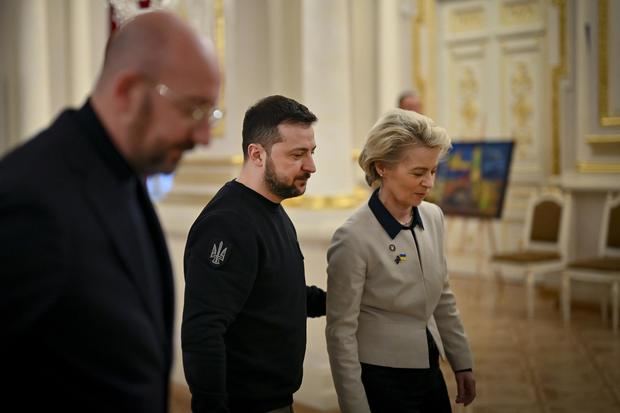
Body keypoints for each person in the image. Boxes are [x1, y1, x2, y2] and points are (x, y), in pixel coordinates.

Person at [0, 11, 221, 412]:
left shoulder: (122, 172)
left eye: (210, 114)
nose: (204, 137)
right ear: (129, 92)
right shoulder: (30, 199)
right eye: (194, 110)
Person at [182, 95, 327, 413]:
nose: (311, 166)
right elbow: (203, 329)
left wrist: (336, 300)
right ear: (257, 154)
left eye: (312, 152)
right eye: (298, 154)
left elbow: (272, 293)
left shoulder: (271, 209)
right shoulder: (228, 223)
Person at [326, 109, 476, 413]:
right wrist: (354, 407)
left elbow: (443, 297)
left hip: (429, 368)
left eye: (433, 171)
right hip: (381, 378)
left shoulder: (433, 217)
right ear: (382, 168)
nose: (429, 183)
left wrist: (462, 363)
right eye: (418, 173)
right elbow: (340, 332)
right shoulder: (352, 237)